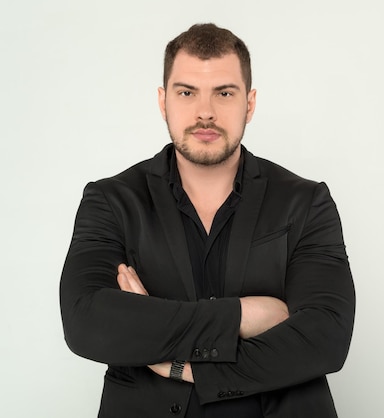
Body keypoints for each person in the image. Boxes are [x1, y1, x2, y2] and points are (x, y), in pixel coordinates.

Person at [60, 23, 355, 418]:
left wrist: (178, 363)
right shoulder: (112, 201)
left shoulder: (305, 201)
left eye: (224, 93)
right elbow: (86, 322)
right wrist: (241, 316)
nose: (205, 112)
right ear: (163, 101)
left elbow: (326, 338)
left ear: (249, 104)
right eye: (186, 92)